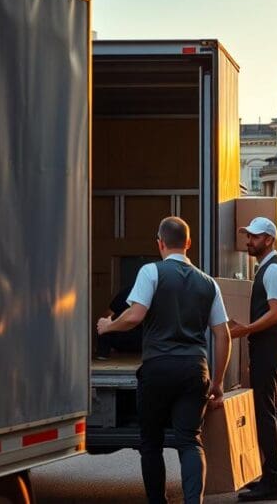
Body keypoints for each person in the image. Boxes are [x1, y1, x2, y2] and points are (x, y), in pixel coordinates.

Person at [96, 216, 231, 504]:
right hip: (194, 370)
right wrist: (217, 381)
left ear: (159, 243)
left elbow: (134, 315)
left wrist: (108, 326)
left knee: (151, 443)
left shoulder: (151, 272)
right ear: (189, 244)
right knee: (190, 442)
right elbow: (223, 335)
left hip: (157, 369)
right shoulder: (209, 284)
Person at [228, 217, 277, 501]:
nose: (248, 241)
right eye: (248, 236)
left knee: (266, 415)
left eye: (254, 237)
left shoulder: (273, 271)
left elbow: (276, 312)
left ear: (268, 239)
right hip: (271, 344)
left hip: (269, 345)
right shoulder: (268, 268)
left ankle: (273, 482)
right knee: (273, 413)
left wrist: (246, 329)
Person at [95, 285, 143, 360]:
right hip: (144, 341)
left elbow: (109, 314)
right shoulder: (129, 292)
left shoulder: (129, 291)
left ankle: (102, 355)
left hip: (131, 340)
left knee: (106, 321)